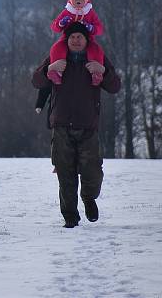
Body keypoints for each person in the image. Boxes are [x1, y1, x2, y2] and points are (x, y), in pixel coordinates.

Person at [32, 21, 121, 228]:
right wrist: (49, 70)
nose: (75, 40)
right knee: (65, 173)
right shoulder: (56, 58)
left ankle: (89, 199)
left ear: (86, 39)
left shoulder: (97, 59)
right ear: (67, 39)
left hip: (88, 126)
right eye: (72, 37)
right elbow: (36, 81)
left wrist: (103, 71)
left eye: (79, 37)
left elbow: (115, 86)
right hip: (61, 125)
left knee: (93, 172)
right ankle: (70, 218)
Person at [47, 0, 105, 86]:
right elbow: (54, 27)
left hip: (88, 40)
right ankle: (57, 71)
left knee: (96, 50)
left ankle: (96, 74)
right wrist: (61, 23)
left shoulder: (90, 13)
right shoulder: (67, 11)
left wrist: (91, 28)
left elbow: (100, 29)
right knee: (56, 48)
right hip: (67, 39)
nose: (78, 0)